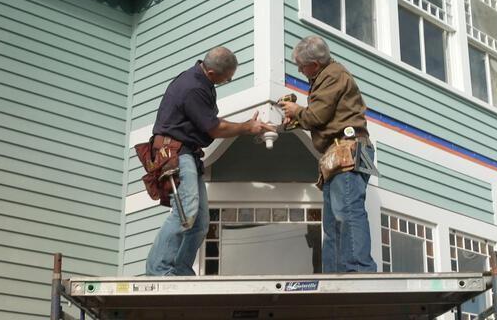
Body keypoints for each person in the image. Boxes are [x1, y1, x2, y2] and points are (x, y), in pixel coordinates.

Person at [146, 47, 274, 276]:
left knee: (200, 222)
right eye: (228, 76)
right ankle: (158, 270)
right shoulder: (193, 87)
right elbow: (214, 128)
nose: (230, 79)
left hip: (187, 153)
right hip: (176, 151)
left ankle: (180, 269)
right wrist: (248, 127)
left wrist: (246, 125)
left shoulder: (202, 81)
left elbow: (210, 122)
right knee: (185, 211)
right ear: (214, 72)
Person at [279, 35, 377, 273]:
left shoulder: (333, 74)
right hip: (336, 153)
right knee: (333, 221)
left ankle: (358, 271)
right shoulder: (325, 76)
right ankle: (334, 275)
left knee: (347, 212)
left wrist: (297, 110)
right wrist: (295, 119)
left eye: (301, 66)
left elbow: (317, 116)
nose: (300, 70)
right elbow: (319, 118)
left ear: (314, 63)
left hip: (348, 149)